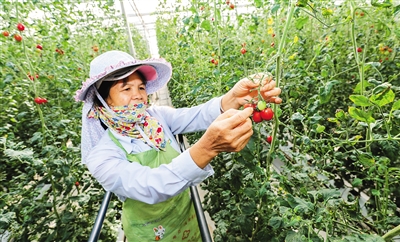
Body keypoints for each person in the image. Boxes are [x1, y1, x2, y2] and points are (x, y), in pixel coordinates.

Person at [75, 50, 282, 241]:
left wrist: (233, 98)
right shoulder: (101, 156)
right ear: (104, 101)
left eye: (140, 87)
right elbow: (150, 186)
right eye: (126, 88)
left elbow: (195, 115)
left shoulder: (155, 118)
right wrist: (207, 148)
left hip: (188, 216)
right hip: (150, 232)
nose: (137, 94)